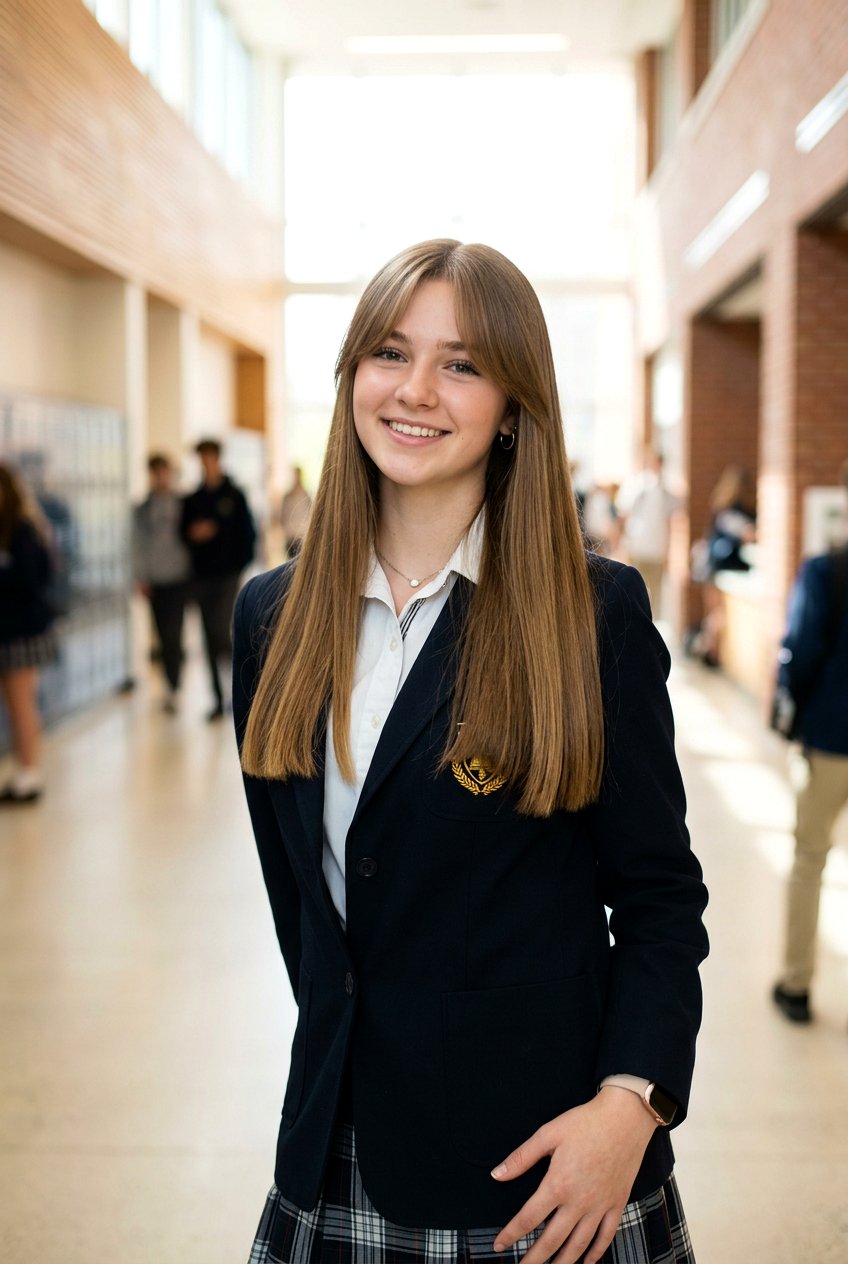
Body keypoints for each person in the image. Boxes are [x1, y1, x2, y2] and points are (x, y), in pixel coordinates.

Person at [233, 240, 708, 1264]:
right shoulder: (270, 616)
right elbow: (303, 906)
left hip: (549, 1170)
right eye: (388, 353)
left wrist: (628, 1108)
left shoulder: (590, 616)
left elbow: (661, 899)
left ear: (511, 403)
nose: (414, 391)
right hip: (336, 1144)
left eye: (460, 364)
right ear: (349, 375)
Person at [772, 461, 848, 1024]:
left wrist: (787, 707)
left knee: (810, 859)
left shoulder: (827, 572)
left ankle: (797, 985)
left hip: (830, 736)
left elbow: (801, 647)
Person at [181, 438, 255, 721]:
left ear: (218, 459)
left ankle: (238, 690)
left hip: (227, 575)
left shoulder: (234, 495)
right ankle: (217, 696)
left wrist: (237, 565)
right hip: (201, 576)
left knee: (222, 632)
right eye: (202, 458)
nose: (206, 462)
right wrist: (194, 534)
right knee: (209, 635)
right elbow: (183, 534)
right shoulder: (193, 500)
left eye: (210, 457)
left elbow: (247, 535)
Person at [0, 462, 58, 804]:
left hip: (21, 634)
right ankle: (23, 770)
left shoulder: (23, 530)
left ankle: (30, 774)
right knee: (14, 705)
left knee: (21, 704)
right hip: (9, 632)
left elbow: (33, 584)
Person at [132, 454, 191, 713]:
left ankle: (175, 685)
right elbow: (137, 546)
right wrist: (140, 577)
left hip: (180, 577)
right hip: (156, 580)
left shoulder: (184, 505)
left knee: (174, 633)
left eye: (164, 471)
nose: (160, 477)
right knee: (162, 634)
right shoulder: (143, 510)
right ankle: (170, 684)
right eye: (155, 472)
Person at [693, 465, 757, 667]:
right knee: (718, 613)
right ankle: (710, 652)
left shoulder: (721, 506)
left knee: (714, 612)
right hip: (720, 567)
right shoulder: (735, 510)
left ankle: (709, 650)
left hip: (711, 566)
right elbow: (748, 534)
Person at [617, 449, 679, 618]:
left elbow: (669, 522)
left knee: (652, 594)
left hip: (654, 549)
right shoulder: (636, 486)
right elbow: (624, 518)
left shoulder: (664, 491)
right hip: (639, 547)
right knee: (637, 591)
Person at [279, 465, 312, 560]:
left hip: (302, 536)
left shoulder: (306, 496)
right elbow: (283, 517)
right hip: (290, 536)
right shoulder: (287, 496)